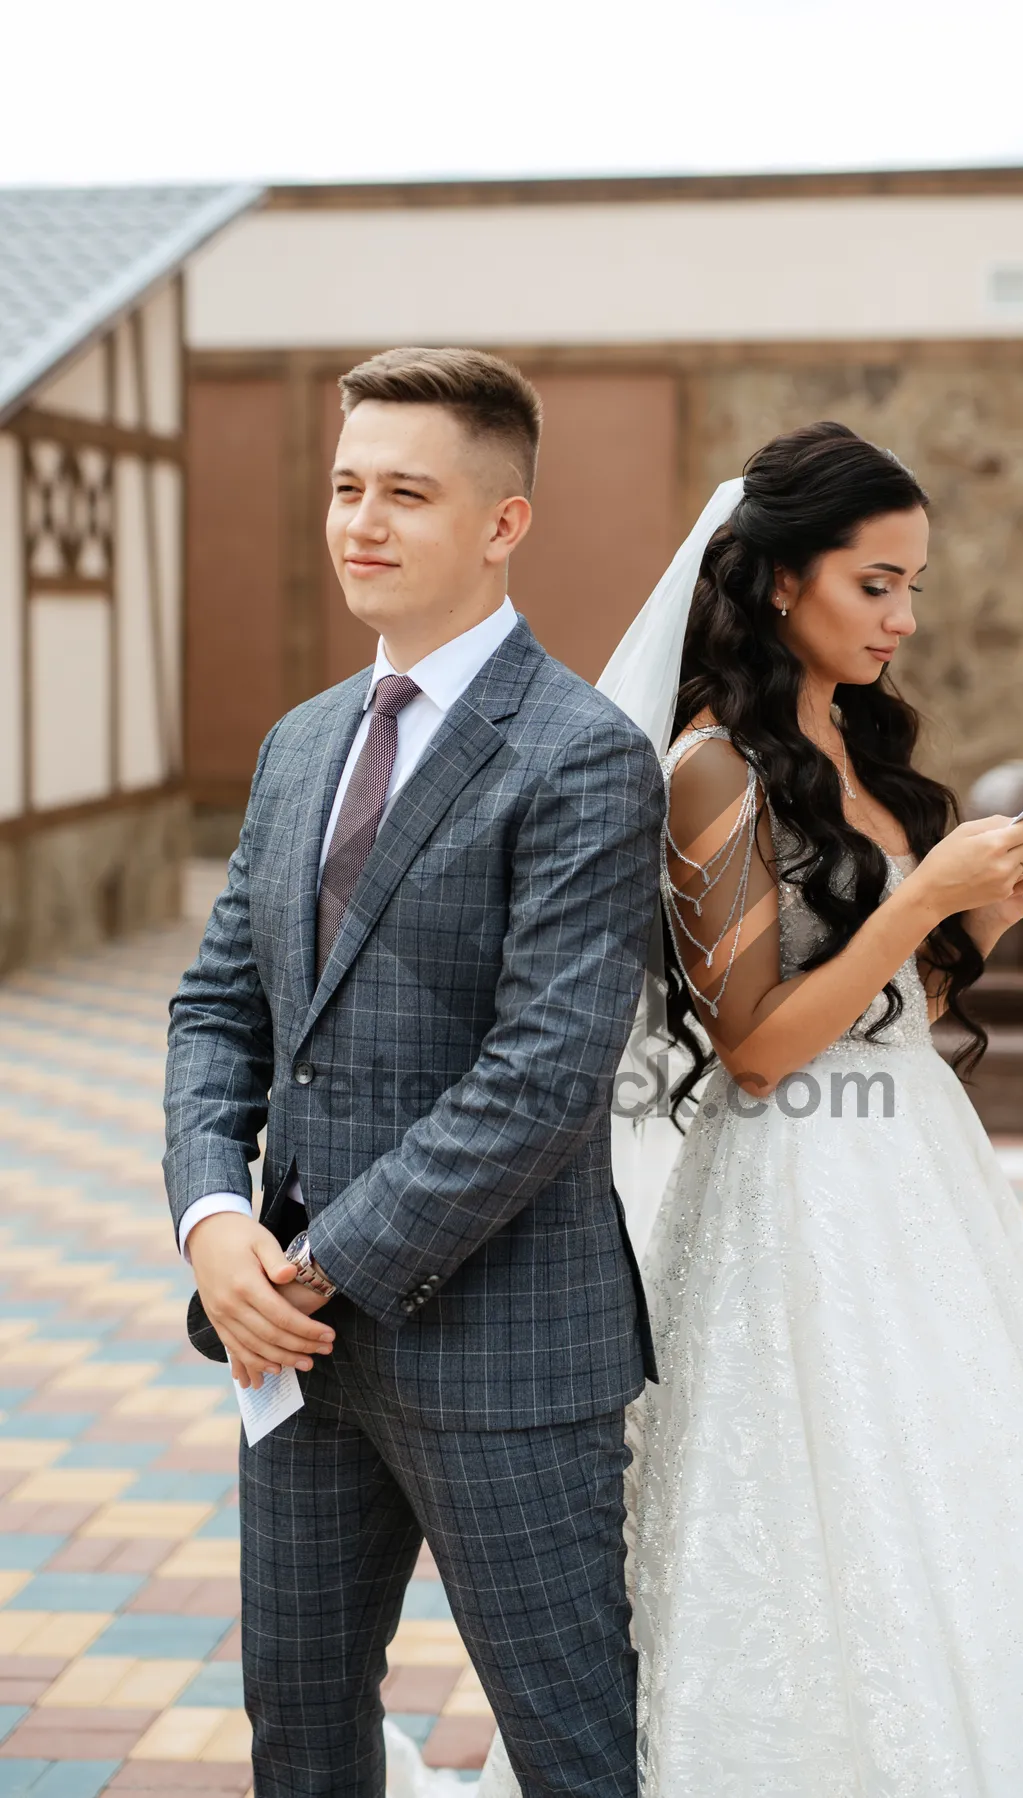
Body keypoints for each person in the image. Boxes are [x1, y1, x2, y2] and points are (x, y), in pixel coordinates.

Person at [480, 422, 1023, 1796]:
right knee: (822, 1491)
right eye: (875, 582)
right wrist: (924, 894)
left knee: (961, 1473)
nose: (903, 616)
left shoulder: (848, 745)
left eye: (914, 584)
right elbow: (754, 1044)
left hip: (917, 1174)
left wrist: (982, 909)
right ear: (776, 581)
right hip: (795, 1196)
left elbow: (899, 1004)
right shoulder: (707, 769)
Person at [163, 347, 664, 1798]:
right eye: (343, 485)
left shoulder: (582, 756)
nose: (359, 521)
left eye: (405, 492)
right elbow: (215, 1008)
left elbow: (541, 1080)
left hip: (503, 1350)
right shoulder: (298, 743)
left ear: (505, 522)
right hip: (292, 1359)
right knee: (299, 1735)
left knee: (573, 1747)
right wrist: (212, 1225)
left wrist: (304, 1267)